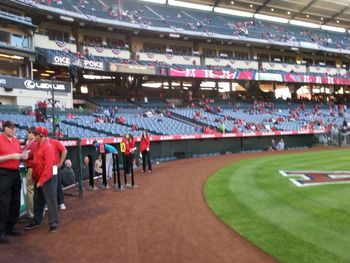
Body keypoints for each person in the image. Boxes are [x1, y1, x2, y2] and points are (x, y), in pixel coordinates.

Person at [25, 126, 59, 233]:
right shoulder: (37, 145)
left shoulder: (48, 147)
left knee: (50, 201)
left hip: (47, 178)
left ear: (41, 135)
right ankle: (36, 220)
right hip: (38, 177)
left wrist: (41, 181)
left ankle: (54, 223)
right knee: (37, 200)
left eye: (35, 134)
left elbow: (48, 167)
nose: (34, 136)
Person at [0, 121, 28, 244]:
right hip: (3, 173)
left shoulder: (16, 141)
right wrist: (11, 156)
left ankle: (10, 228)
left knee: (15, 201)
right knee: (3, 203)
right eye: (10, 127)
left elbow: (18, 155)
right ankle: (0, 233)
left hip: (15, 172)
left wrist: (23, 156)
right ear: (4, 128)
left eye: (14, 127)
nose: (13, 129)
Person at [22, 126, 38, 221]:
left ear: (32, 134)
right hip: (35, 169)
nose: (27, 135)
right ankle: (37, 212)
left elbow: (24, 154)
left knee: (30, 192)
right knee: (35, 191)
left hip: (31, 169)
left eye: (28, 133)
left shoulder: (33, 143)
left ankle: (31, 214)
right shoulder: (34, 143)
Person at [49, 137, 67, 210]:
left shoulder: (54, 141)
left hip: (54, 167)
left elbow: (64, 151)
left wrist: (61, 162)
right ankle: (49, 203)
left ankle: (61, 202)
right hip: (45, 168)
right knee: (47, 186)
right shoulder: (40, 143)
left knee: (58, 184)